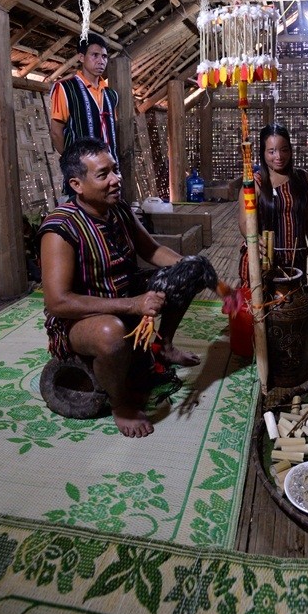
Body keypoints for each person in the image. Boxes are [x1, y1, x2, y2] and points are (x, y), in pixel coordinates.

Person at [39, 138, 203, 439]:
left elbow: (151, 250)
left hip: (126, 297)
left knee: (188, 270)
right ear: (77, 184)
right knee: (110, 334)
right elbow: (58, 302)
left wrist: (190, 267)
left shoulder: (119, 209)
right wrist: (133, 305)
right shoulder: (60, 228)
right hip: (79, 319)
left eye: (115, 170)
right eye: (104, 174)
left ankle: (164, 347)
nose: (116, 179)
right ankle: (121, 406)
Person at [238, 123, 308, 285]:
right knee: (266, 305)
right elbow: (244, 223)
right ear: (263, 153)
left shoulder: (303, 179)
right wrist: (255, 238)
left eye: (284, 150)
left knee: (296, 305)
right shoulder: (254, 184)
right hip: (265, 260)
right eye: (272, 151)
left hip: (297, 258)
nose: (279, 156)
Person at [50, 32, 118, 165]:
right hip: (82, 171)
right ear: (81, 57)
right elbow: (56, 132)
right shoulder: (65, 88)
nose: (101, 61)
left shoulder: (111, 95)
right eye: (95, 55)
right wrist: (72, 164)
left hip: (110, 170)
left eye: (104, 56)